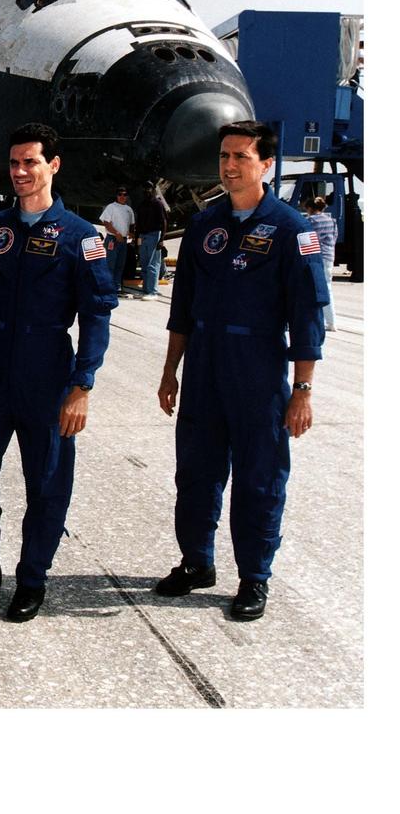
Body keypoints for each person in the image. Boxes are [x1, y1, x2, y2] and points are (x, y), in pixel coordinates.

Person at [155, 121, 328, 621]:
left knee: (259, 479)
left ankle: (254, 577)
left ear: (267, 164)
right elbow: (182, 308)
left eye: (241, 158)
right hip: (205, 368)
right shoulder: (205, 225)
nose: (229, 166)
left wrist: (303, 390)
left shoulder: (295, 229)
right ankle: (196, 562)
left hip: (257, 370)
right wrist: (171, 372)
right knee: (196, 474)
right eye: (224, 157)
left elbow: (307, 316)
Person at [0, 123, 117, 621]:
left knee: (46, 482)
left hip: (48, 373)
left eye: (31, 163)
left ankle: (32, 578)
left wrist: (82, 384)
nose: (20, 172)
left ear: (53, 166)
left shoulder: (82, 238)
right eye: (15, 163)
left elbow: (97, 314)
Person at [304, 196, 338, 331]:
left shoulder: (310, 221)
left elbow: (308, 239)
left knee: (312, 289)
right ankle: (331, 322)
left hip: (316, 257)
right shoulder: (332, 221)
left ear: (310, 208)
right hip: (329, 256)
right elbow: (334, 238)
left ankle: (316, 321)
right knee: (327, 288)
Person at [100, 186, 136, 294]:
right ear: (117, 196)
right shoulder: (111, 207)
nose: (122, 196)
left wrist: (131, 232)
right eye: (120, 194)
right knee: (111, 264)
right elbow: (106, 222)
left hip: (123, 241)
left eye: (124, 195)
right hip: (113, 239)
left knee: (120, 264)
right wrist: (116, 233)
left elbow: (132, 223)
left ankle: (117, 286)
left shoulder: (129, 209)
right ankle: (108, 287)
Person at [134, 181, 168, 297]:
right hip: (143, 236)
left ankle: (152, 291)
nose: (147, 191)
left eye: (149, 188)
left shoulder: (158, 204)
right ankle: (145, 290)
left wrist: (161, 239)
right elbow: (138, 224)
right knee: (144, 263)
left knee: (153, 264)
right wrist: (137, 239)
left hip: (154, 235)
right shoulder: (141, 205)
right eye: (145, 188)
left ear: (153, 189)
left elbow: (163, 222)